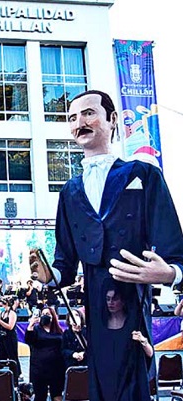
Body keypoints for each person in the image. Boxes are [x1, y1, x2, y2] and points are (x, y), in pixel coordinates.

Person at [29, 89, 183, 401]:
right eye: (72, 118)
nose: (79, 123)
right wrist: (48, 276)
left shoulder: (144, 174)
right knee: (101, 384)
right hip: (96, 310)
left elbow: (175, 252)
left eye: (88, 113)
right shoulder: (69, 191)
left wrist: (168, 274)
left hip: (134, 303)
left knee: (135, 381)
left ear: (112, 119)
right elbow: (64, 265)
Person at [25, 307, 64, 401]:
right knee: (40, 395)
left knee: (57, 394)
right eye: (43, 314)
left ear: (53, 316)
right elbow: (28, 340)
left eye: (47, 314)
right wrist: (31, 325)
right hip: (39, 368)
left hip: (56, 368)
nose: (45, 316)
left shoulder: (58, 330)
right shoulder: (36, 329)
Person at [0, 297, 21, 377]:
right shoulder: (2, 313)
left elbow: (10, 327)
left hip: (10, 337)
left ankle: (16, 374)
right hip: (3, 337)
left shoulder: (12, 313)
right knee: (1, 355)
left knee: (12, 356)